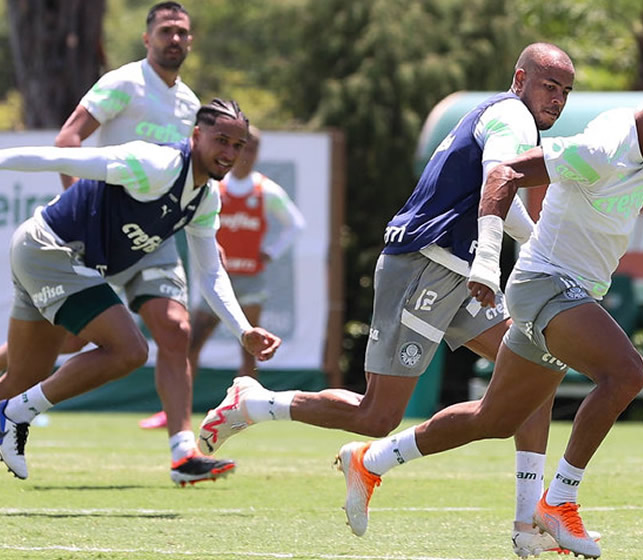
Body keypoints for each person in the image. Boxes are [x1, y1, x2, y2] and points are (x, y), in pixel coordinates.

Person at [335, 80, 643, 558]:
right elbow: (503, 173)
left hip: (564, 291)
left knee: (495, 418)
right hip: (546, 286)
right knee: (626, 373)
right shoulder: (602, 147)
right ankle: (560, 501)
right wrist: (487, 258)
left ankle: (372, 461)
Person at [196, 43, 593, 557]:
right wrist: (490, 264)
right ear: (520, 80)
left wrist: (538, 247)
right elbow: (500, 177)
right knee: (377, 416)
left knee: (534, 373)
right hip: (427, 268)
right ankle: (252, 403)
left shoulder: (510, 117)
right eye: (549, 86)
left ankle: (528, 525)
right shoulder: (513, 116)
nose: (557, 99)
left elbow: (504, 198)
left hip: (459, 273)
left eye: (565, 91)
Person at [0, 99, 281, 513]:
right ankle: (15, 414)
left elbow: (210, 274)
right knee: (130, 350)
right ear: (196, 136)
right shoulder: (154, 163)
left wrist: (243, 329)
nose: (229, 152)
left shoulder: (206, 198)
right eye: (220, 140)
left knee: (22, 376)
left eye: (238, 145)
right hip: (51, 251)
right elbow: (57, 156)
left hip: (48, 255)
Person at [0, 2, 234, 484]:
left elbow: (192, 177)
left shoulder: (190, 105)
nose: (174, 39)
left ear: (191, 41)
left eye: (182, 32)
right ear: (147, 39)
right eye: (165, 31)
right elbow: (68, 139)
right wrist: (82, 213)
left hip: (154, 238)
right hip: (104, 231)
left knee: (174, 328)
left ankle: (183, 453)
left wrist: (206, 234)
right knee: (66, 339)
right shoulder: (124, 83)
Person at [182, 125, 306, 388]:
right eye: (241, 147)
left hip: (251, 280)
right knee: (193, 342)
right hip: (218, 278)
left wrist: (271, 252)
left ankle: (244, 409)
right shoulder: (217, 185)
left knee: (250, 348)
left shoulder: (265, 190)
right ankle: (177, 406)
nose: (245, 154)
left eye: (251, 148)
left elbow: (296, 224)